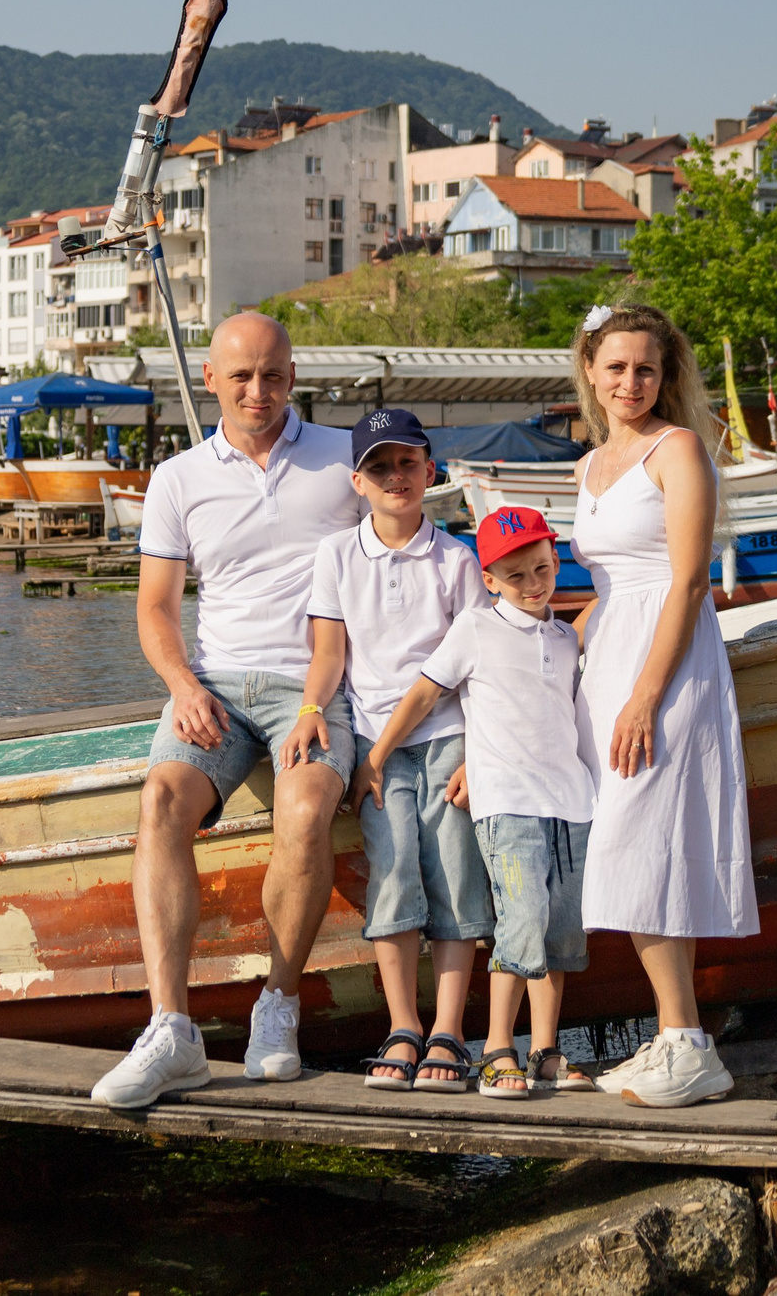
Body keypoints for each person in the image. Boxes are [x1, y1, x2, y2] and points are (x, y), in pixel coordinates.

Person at [91, 312, 364, 1108]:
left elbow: (403, 551)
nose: (259, 390)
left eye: (274, 374)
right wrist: (181, 684)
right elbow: (155, 609)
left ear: (293, 374)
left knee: (307, 811)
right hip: (214, 686)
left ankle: (276, 1008)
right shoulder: (178, 478)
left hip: (312, 688)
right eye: (241, 375)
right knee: (161, 798)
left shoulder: (345, 459)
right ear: (209, 378)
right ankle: (171, 1028)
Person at [570, 302, 759, 1110]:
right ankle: (676, 1035)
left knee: (639, 837)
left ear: (666, 374)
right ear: (590, 371)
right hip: (610, 653)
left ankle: (687, 1042)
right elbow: (601, 587)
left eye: (646, 368)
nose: (630, 382)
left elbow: (686, 581)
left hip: (668, 664)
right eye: (615, 367)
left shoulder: (678, 449)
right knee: (636, 845)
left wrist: (646, 694)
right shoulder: (587, 465)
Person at [372, 505, 597, 1099]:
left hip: (571, 803)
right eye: (516, 575)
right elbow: (425, 694)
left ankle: (546, 1048)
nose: (533, 584)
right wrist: (377, 756)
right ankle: (498, 1047)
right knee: (518, 921)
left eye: (543, 569)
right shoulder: (475, 627)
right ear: (489, 578)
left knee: (559, 931)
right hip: (509, 803)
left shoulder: (565, 636)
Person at [308, 408, 489, 1093]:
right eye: (380, 466)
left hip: (448, 738)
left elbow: (480, 668)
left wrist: (480, 752)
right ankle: (403, 1023)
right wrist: (312, 714)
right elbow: (330, 654)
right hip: (376, 748)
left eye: (407, 462)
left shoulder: (456, 558)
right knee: (393, 871)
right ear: (358, 480)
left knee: (455, 869)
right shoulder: (337, 555)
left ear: (429, 468)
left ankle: (448, 1028)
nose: (395, 476)